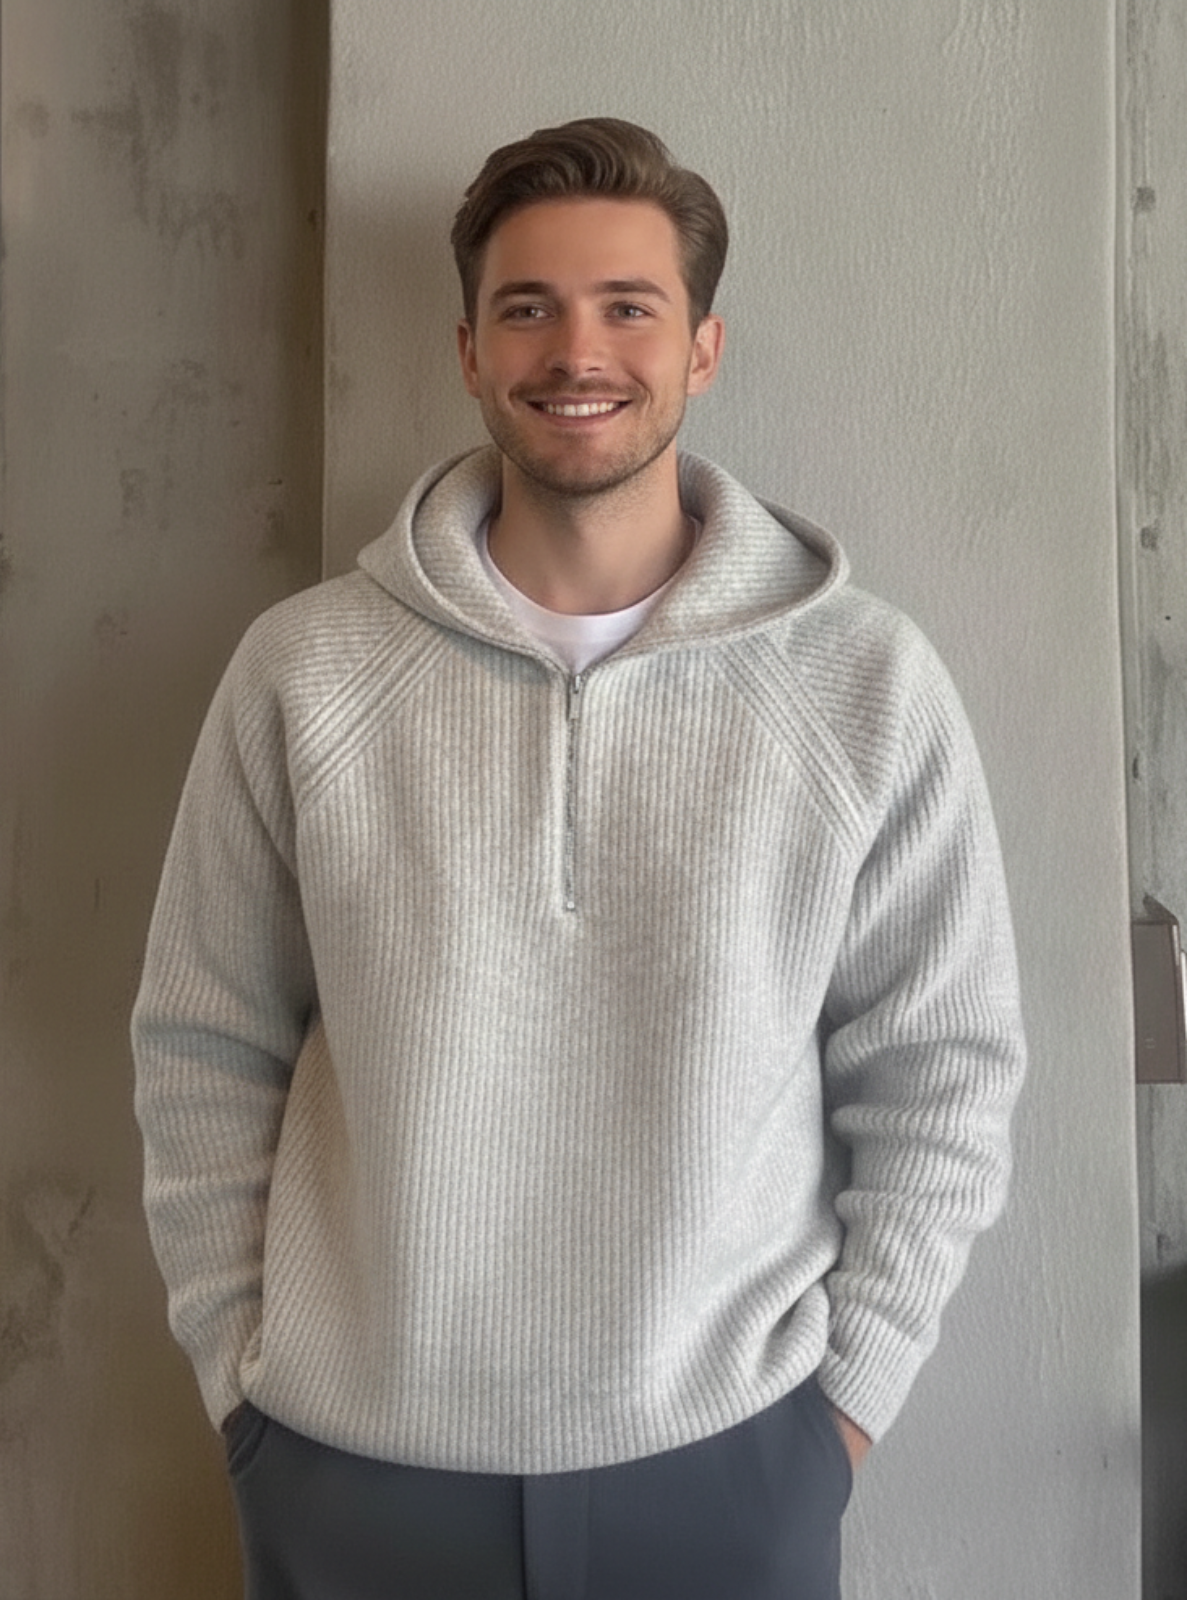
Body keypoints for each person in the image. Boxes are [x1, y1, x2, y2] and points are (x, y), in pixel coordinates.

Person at [133, 117, 1026, 1600]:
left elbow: (940, 1065)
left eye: (629, 306)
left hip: (730, 1454)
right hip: (352, 1469)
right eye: (528, 308)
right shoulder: (303, 672)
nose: (577, 349)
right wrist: (243, 1382)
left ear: (704, 348)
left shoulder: (863, 682)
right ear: (470, 351)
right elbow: (204, 1038)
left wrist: (844, 1407)